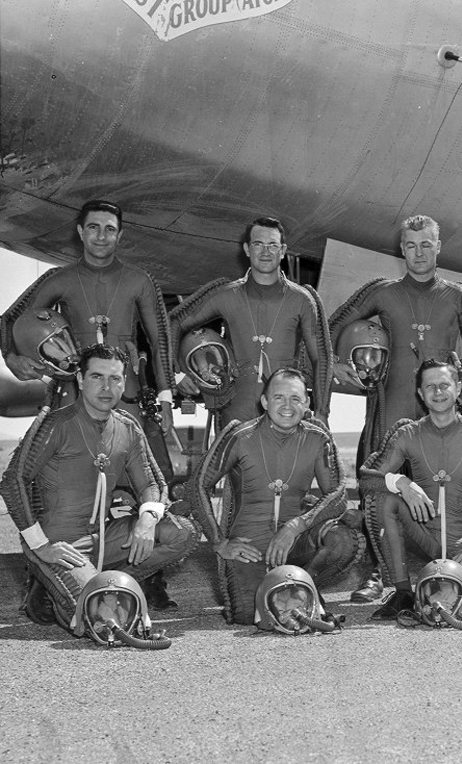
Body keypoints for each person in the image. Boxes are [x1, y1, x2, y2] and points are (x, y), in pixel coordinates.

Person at [330, 214, 462, 602]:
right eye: (411, 245)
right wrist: (334, 363)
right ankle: (378, 573)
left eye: (426, 245)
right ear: (402, 249)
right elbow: (331, 324)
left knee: (452, 487)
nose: (419, 253)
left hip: (440, 411)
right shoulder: (382, 292)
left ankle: (450, 559)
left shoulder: (458, 295)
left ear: (438, 247)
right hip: (391, 408)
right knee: (378, 489)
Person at [0, 345, 197, 628]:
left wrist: (147, 519)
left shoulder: (127, 426)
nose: (107, 387)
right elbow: (12, 482)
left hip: (105, 539)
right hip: (61, 545)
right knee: (99, 618)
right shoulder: (55, 425)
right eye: (96, 377)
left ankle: (108, 580)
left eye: (115, 379)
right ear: (80, 380)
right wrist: (40, 545)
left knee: (182, 533)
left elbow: (151, 483)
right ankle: (56, 582)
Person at [0, 199, 177, 458]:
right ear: (81, 232)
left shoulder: (139, 281)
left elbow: (158, 340)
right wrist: (13, 358)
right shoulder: (58, 279)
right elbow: (12, 321)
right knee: (67, 477)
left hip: (126, 396)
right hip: (73, 394)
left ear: (120, 235)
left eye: (110, 229)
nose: (101, 236)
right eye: (94, 228)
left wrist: (166, 398)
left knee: (135, 478)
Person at [190, 367, 362, 625]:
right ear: (264, 401)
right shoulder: (240, 436)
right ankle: (294, 595)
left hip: (296, 542)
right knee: (251, 617)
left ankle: (304, 587)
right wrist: (219, 542)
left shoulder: (318, 438)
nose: (287, 406)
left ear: (307, 403)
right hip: (249, 548)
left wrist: (296, 526)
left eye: (296, 399)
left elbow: (337, 495)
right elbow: (198, 486)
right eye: (279, 397)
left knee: (344, 541)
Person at [358, 359, 462, 620]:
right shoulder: (407, 433)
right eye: (430, 386)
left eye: (444, 385)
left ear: (458, 386)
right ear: (420, 393)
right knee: (381, 499)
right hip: (422, 535)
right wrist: (401, 483)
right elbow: (367, 479)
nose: (438, 392)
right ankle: (402, 593)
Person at [170, 216, 331, 428]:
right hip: (236, 411)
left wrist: (321, 413)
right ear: (247, 249)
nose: (266, 252)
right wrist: (177, 374)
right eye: (258, 244)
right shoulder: (226, 295)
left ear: (282, 250)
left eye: (272, 245)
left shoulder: (302, 300)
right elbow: (174, 322)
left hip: (286, 410)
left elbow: (321, 358)